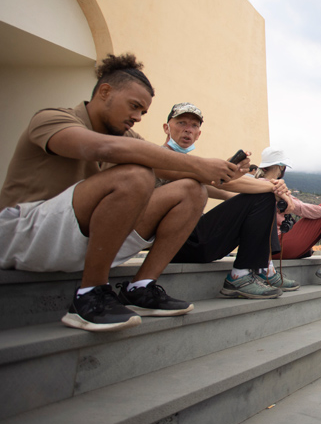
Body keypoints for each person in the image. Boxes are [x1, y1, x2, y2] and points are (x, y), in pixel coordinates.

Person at [0, 54, 239, 332]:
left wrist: (240, 177)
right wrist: (198, 164)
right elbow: (104, 148)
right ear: (105, 92)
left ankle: (140, 287)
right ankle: (89, 294)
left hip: (80, 238)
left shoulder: (128, 139)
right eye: (134, 107)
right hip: (21, 235)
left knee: (192, 190)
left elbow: (185, 173)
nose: (137, 118)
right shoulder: (51, 118)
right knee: (137, 174)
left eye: (143, 112)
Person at [156, 104, 299, 299]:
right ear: (167, 128)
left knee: (262, 200)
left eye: (194, 125)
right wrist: (273, 188)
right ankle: (241, 275)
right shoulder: (159, 158)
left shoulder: (196, 169)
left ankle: (262, 268)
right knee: (263, 196)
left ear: (198, 134)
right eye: (181, 123)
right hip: (174, 241)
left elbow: (228, 192)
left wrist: (272, 192)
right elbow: (227, 185)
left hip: (196, 239)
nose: (188, 129)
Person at [260, 148, 321, 285]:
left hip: (277, 245)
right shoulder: (270, 185)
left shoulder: (262, 183)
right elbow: (301, 208)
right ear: (281, 166)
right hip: (277, 245)